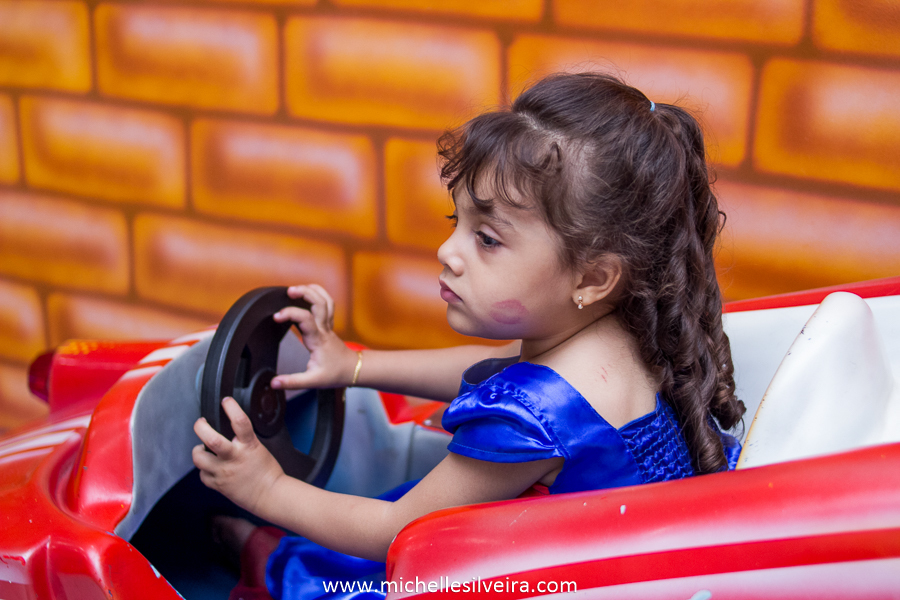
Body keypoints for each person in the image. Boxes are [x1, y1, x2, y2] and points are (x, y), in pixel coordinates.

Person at [192, 72, 745, 600]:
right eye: (452, 221)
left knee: (348, 576)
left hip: (527, 575)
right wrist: (354, 368)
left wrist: (266, 488)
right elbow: (497, 371)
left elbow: (394, 532)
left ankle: (274, 564)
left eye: (486, 238)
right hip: (622, 560)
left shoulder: (535, 417)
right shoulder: (626, 335)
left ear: (593, 277)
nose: (447, 253)